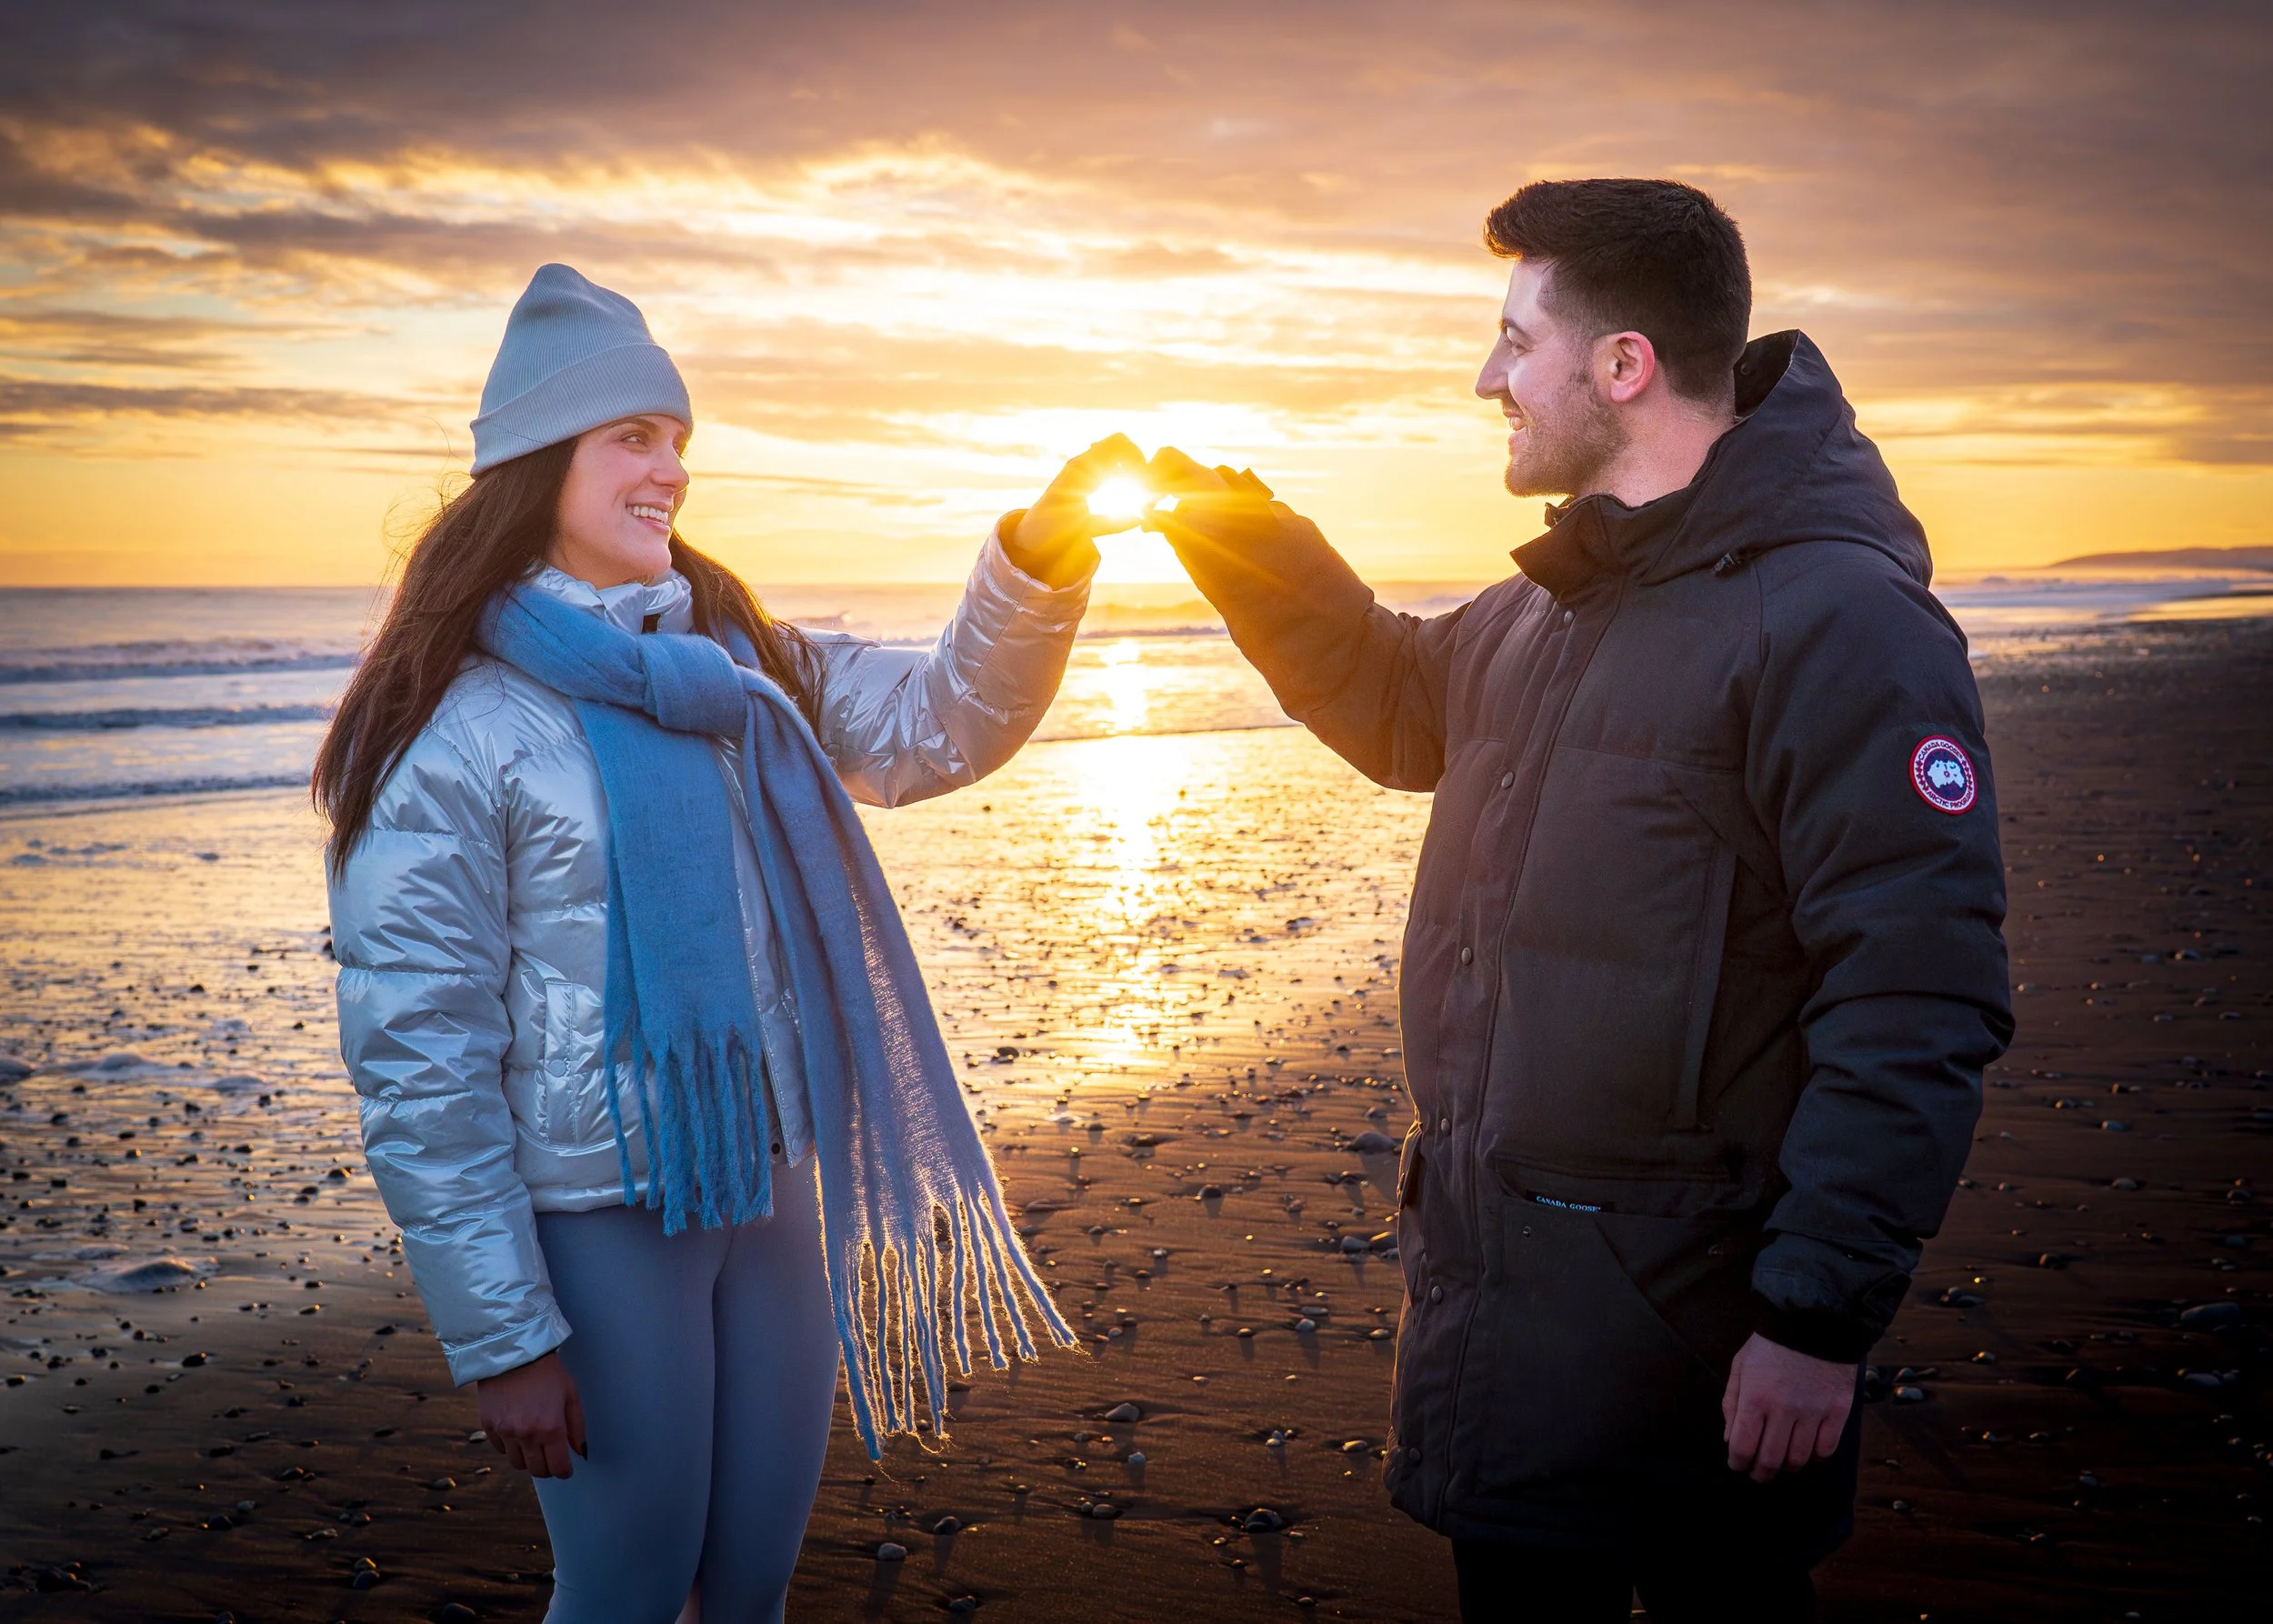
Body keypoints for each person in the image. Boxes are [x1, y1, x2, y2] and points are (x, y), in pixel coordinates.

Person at [1145, 180, 2011, 1619]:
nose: (1487, 378)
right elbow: (1397, 699)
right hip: (1511, 1334)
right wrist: (1236, 535)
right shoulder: (1545, 607)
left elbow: (1916, 992)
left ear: (1623, 365)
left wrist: (1815, 1318)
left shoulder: (1841, 623)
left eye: (1514, 339)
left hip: (1703, 1351)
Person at [314, 264, 1117, 1622]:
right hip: (601, 1218)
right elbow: (420, 1057)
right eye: (634, 436)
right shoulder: (456, 729)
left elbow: (937, 724)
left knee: (749, 1588)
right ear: (540, 463)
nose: (672, 470)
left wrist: (1038, 558)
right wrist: (504, 1337)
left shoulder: (739, 667)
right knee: (625, 1591)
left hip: (769, 1182)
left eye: (678, 439)